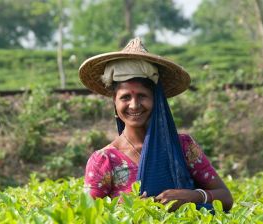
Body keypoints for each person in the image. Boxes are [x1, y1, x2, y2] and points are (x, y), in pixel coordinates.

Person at [79, 37, 233, 211]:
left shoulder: (183, 147)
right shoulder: (104, 160)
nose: (134, 105)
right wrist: (129, 207)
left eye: (142, 96)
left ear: (156, 99)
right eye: (125, 97)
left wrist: (191, 196)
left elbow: (225, 197)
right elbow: (87, 214)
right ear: (115, 102)